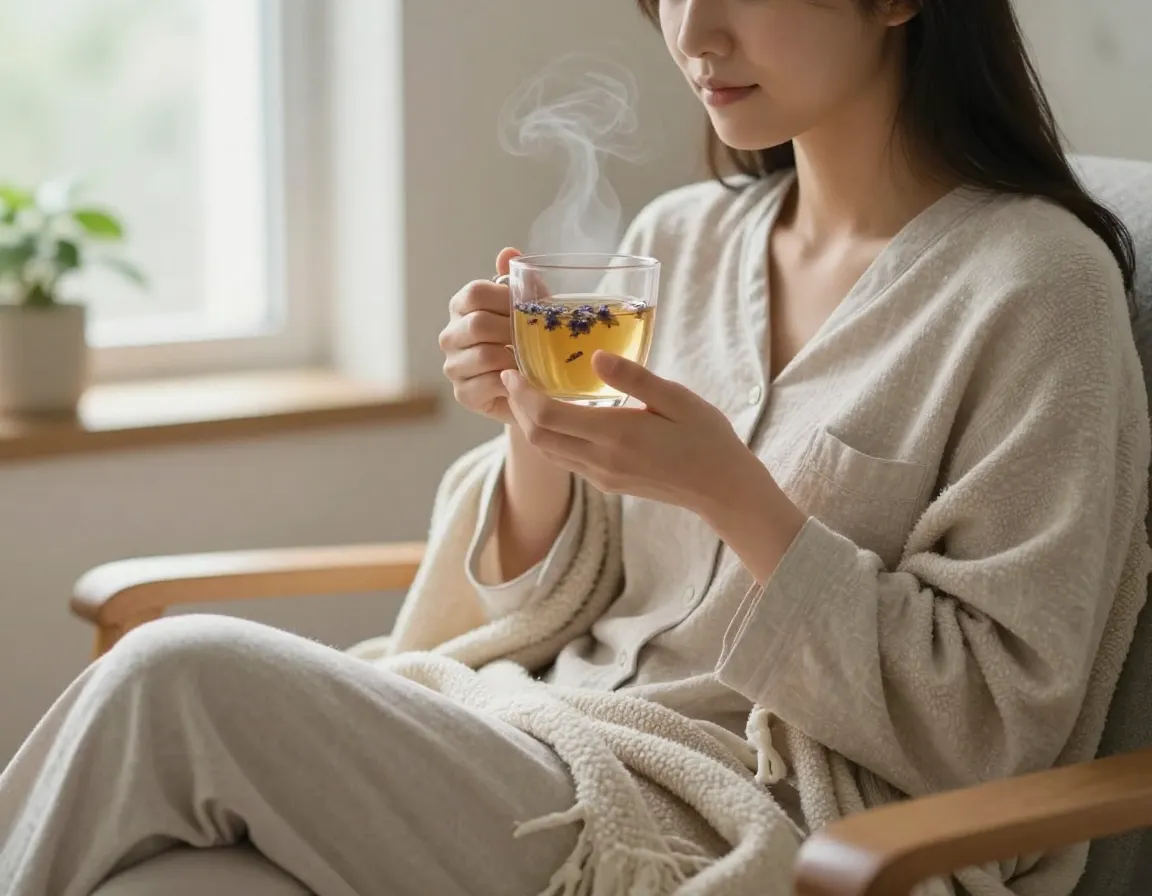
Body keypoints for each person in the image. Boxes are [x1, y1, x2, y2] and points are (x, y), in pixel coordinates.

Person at [2, 0, 1149, 894]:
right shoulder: (679, 240)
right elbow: (545, 602)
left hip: (754, 822)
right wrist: (533, 431)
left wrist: (737, 496)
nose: (693, 35)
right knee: (173, 875)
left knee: (172, 673)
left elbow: (1001, 724)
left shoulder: (1036, 288)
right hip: (537, 739)